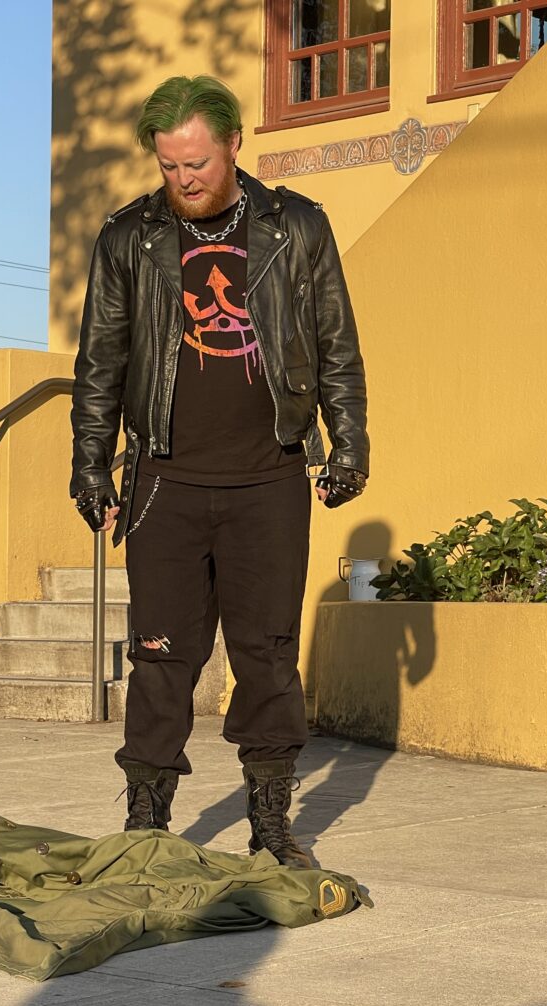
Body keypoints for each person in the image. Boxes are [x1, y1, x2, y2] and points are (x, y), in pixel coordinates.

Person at [70, 75, 368, 869]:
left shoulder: (296, 227)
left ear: (234, 145)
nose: (184, 179)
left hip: (270, 479)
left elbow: (336, 344)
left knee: (267, 657)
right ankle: (146, 823)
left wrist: (349, 446)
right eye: (169, 165)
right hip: (164, 482)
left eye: (197, 162)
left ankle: (270, 823)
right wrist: (90, 465)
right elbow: (100, 361)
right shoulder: (128, 238)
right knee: (160, 657)